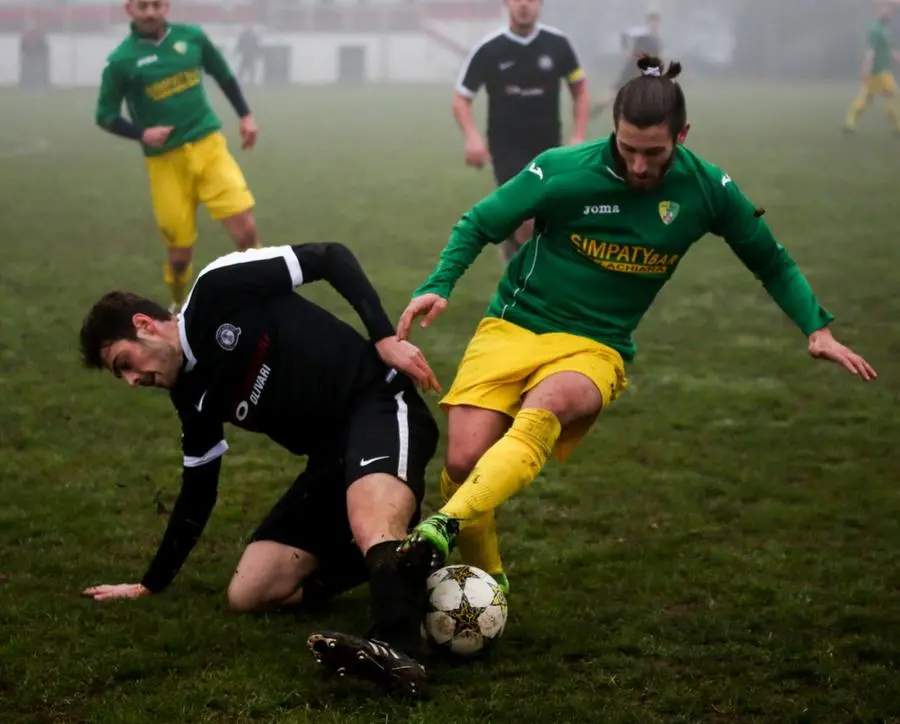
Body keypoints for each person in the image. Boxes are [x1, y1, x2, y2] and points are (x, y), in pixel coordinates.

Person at [394, 56, 878, 594]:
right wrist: (439, 283)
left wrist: (817, 326)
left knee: (547, 407)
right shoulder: (564, 169)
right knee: (463, 461)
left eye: (655, 152)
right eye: (628, 150)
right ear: (613, 133)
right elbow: (480, 222)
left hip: (597, 345)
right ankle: (492, 579)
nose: (641, 166)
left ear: (682, 135)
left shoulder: (707, 189)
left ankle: (439, 528)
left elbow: (772, 261)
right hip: (516, 324)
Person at [78, 242, 443, 699]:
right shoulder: (190, 396)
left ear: (144, 325)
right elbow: (199, 490)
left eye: (124, 364)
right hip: (331, 461)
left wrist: (384, 337)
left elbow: (330, 256)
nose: (132, 380)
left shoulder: (219, 288)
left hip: (379, 404)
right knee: (250, 593)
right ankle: (410, 555)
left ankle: (397, 651)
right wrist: (150, 584)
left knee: (368, 518)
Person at [95, 0, 261, 314]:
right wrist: (141, 133)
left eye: (156, 4)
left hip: (208, 147)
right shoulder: (121, 60)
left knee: (247, 231)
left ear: (166, 7)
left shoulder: (193, 37)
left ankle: (268, 292)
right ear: (129, 9)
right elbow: (104, 115)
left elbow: (223, 74)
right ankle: (178, 303)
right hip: (165, 163)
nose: (150, 12)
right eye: (142, 6)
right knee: (179, 256)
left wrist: (245, 115)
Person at [453, 0, 589, 266]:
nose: (524, 5)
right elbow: (461, 99)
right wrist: (472, 136)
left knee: (541, 220)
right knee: (526, 219)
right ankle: (528, 288)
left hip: (549, 149)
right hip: (507, 150)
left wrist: (579, 135)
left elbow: (580, 90)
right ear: (506, 3)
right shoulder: (489, 49)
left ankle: (519, 264)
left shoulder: (558, 45)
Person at [590, 11, 663, 120]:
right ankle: (595, 111)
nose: (655, 24)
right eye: (653, 21)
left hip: (646, 71)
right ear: (648, 22)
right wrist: (625, 51)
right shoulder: (641, 33)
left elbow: (658, 56)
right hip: (632, 68)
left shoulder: (656, 39)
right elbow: (624, 34)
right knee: (614, 95)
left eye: (657, 22)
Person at [843, 1, 900, 134]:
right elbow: (870, 51)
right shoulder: (875, 29)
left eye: (891, 10)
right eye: (887, 9)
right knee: (891, 95)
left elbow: (886, 49)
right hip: (879, 72)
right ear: (879, 9)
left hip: (879, 72)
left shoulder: (883, 28)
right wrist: (865, 68)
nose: (890, 12)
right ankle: (898, 127)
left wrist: (896, 56)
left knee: (867, 99)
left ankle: (849, 124)